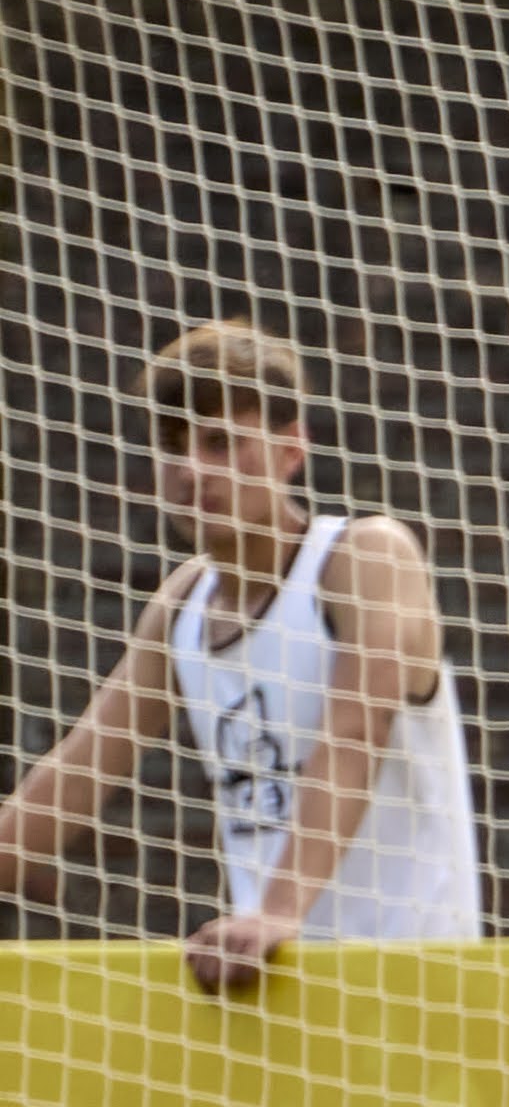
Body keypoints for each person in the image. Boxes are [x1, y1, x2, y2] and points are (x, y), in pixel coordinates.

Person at [0, 320, 481, 984]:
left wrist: (277, 913)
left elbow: (352, 736)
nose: (193, 470)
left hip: (418, 990)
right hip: (273, 996)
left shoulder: (365, 558)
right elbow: (75, 772)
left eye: (221, 441)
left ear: (291, 450)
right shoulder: (183, 604)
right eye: (174, 447)